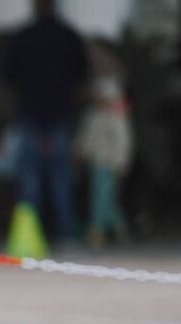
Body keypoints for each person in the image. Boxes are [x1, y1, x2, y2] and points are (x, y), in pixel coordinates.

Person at [4, 0, 89, 245]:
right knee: (60, 177)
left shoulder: (23, 37)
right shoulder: (67, 36)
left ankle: (31, 235)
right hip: (60, 111)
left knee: (30, 177)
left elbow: (8, 74)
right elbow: (81, 73)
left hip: (30, 111)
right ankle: (65, 233)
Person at [77, 76, 132, 250]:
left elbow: (124, 142)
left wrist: (121, 162)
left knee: (101, 198)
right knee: (107, 199)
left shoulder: (117, 117)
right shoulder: (94, 115)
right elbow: (87, 137)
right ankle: (120, 229)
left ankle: (97, 231)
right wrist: (80, 150)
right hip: (96, 161)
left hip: (109, 163)